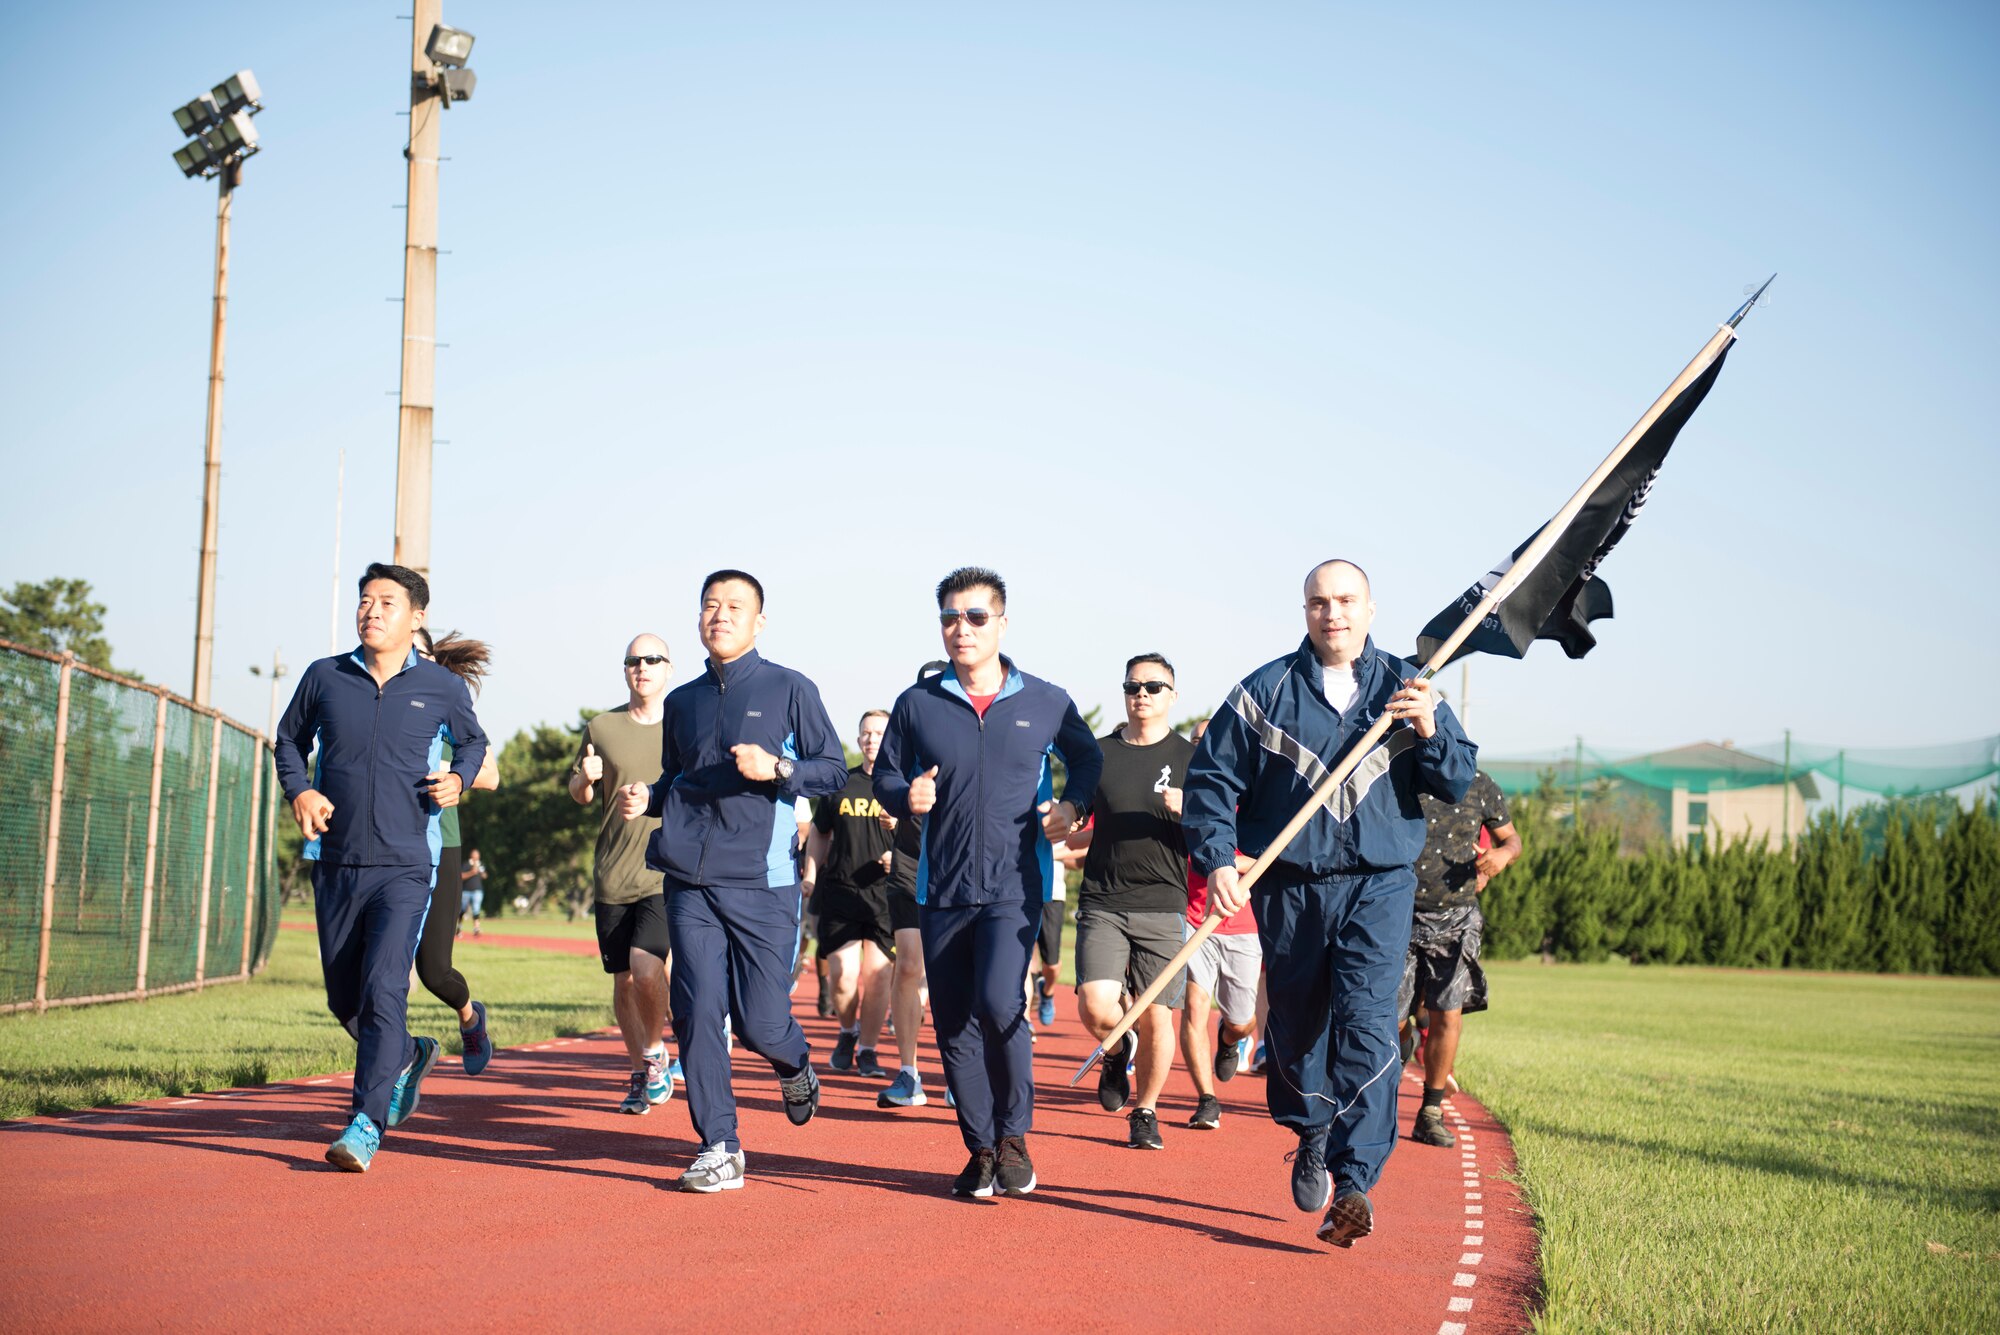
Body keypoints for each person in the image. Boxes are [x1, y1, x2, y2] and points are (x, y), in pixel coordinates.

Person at [1184, 558, 1473, 1247]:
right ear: (1304, 611)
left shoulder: (1409, 690)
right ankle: (1311, 1127)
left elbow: (1458, 780)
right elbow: (1209, 782)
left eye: (1346, 600)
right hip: (1292, 886)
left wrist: (1432, 728)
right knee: (1299, 1028)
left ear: (1371, 609)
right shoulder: (1263, 691)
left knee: (1370, 1022)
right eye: (1319, 601)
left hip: (1380, 883)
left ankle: (1355, 1182)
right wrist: (1218, 858)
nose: (1332, 612)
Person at [874, 567, 1102, 1198]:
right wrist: (906, 791)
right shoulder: (917, 703)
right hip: (941, 887)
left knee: (1001, 1002)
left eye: (976, 617)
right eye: (950, 617)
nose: (961, 629)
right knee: (951, 1022)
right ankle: (979, 1149)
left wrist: (1073, 806)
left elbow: (1086, 758)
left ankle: (1014, 1135)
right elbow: (886, 774)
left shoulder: (1045, 700)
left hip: (1014, 883)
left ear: (1002, 622)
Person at [615, 571, 845, 1192]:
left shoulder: (790, 688)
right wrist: (650, 796)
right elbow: (677, 778)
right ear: (698, 619)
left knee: (760, 1020)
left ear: (759, 621)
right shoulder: (683, 702)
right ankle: (720, 1144)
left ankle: (793, 1061)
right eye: (710, 606)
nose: (720, 615)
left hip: (762, 880)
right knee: (695, 1009)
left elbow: (833, 771)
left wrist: (779, 767)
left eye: (734, 606)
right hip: (688, 879)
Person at [274, 562, 488, 1172]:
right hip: (338, 861)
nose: (371, 611)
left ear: (415, 617)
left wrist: (457, 779)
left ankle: (365, 1125)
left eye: (386, 602)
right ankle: (406, 1055)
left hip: (404, 864)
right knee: (345, 1000)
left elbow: (473, 744)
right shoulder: (325, 677)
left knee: (383, 986)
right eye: (365, 601)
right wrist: (299, 791)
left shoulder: (442, 688)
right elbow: (289, 740)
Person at [1061, 653, 1195, 1151]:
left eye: (1154, 686)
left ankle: (1146, 1111)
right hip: (1103, 899)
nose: (1142, 694)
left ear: (1172, 696)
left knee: (1159, 1014)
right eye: (1133, 685)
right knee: (1096, 1003)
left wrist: (1192, 812)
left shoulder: (1190, 759)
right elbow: (1078, 813)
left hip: (1163, 903)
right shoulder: (1098, 754)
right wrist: (1064, 819)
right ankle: (1116, 1049)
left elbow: (1218, 831)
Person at [570, 634, 678, 1115]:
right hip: (613, 872)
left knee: (646, 967)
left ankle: (655, 1051)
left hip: (663, 870)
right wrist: (585, 778)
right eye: (634, 660)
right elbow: (579, 793)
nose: (642, 667)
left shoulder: (683, 725)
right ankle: (640, 1071)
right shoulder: (602, 726)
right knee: (622, 981)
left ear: (667, 668)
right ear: (626, 670)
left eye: (652, 659)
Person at [1397, 768, 1520, 1147]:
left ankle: (1430, 1112)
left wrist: (1502, 855)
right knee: (1390, 1018)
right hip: (1396, 911)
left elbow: (1512, 839)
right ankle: (1384, 1087)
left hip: (1457, 916)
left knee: (1447, 1014)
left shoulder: (1480, 784)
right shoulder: (1400, 773)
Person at [409, 626, 499, 1077]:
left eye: (418, 650)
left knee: (435, 971)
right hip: (386, 844)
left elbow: (492, 775)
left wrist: (447, 772)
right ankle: (397, 1063)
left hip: (440, 843)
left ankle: (470, 1018)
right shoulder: (375, 703)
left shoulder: (447, 705)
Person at [1177, 719, 1263, 1132]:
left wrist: (1223, 860)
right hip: (1195, 920)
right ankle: (1206, 1098)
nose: (1201, 746)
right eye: (1195, 740)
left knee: (1241, 1019)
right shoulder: (1182, 797)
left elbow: (1265, 857)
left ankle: (1230, 1039)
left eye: (1207, 739)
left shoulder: (1249, 795)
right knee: (1194, 1008)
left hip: (1243, 924)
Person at [806, 710, 898, 1080]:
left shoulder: (903, 787)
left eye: (879, 733)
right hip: (841, 892)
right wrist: (811, 873)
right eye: (866, 733)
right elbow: (818, 832)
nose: (872, 739)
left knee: (877, 978)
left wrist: (903, 856)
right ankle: (848, 1031)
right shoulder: (840, 783)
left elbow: (928, 836)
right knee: (843, 977)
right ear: (858, 739)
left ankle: (869, 1049)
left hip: (887, 898)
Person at [876, 661, 946, 1111]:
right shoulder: (903, 738)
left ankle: (962, 1073)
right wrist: (898, 800)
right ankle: (909, 1073)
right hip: (908, 864)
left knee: (954, 978)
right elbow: (884, 780)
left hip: (958, 869)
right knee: (908, 967)